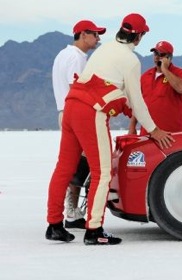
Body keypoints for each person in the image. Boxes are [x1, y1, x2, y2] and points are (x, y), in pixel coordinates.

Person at [45, 13, 174, 245]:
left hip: (71, 107)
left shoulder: (104, 50)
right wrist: (153, 130)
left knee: (63, 168)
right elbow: (137, 101)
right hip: (90, 112)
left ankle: (54, 225)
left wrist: (126, 109)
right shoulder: (131, 60)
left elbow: (107, 87)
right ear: (140, 35)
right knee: (102, 171)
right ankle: (94, 230)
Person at [51, 19, 106, 230]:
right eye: (95, 34)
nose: (98, 39)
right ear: (83, 34)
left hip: (65, 113)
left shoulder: (62, 55)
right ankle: (74, 212)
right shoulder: (76, 58)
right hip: (77, 114)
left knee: (72, 164)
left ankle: (70, 213)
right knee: (87, 164)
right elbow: (79, 88)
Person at [128, 40, 182, 135]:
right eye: (155, 53)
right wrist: (132, 126)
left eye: (161, 54)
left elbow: (181, 88)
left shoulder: (179, 73)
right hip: (149, 133)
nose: (157, 57)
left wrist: (164, 69)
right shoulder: (145, 76)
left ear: (169, 57)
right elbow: (138, 103)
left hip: (173, 134)